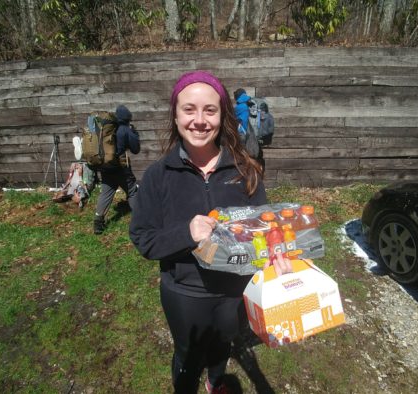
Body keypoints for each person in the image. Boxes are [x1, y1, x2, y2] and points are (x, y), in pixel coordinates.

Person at [129, 71, 292, 393]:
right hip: (184, 292)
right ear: (175, 115)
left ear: (223, 116)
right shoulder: (157, 176)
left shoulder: (245, 169)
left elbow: (265, 225)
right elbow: (144, 239)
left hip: (235, 288)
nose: (199, 120)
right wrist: (186, 232)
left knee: (224, 344)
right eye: (189, 109)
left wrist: (276, 250)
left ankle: (215, 381)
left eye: (210, 110)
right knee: (188, 353)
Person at [93, 104, 140, 234]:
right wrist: (135, 134)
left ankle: (98, 222)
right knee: (132, 191)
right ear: (128, 118)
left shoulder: (108, 129)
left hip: (106, 167)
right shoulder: (125, 129)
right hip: (121, 168)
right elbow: (136, 149)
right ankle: (141, 220)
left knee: (106, 192)